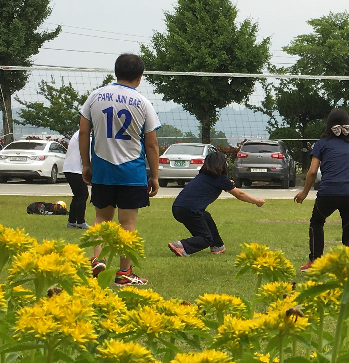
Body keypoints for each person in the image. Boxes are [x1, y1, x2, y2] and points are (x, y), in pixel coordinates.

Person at [79, 53, 161, 287]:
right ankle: (124, 273)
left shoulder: (95, 96)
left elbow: (84, 132)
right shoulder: (143, 103)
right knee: (127, 224)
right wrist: (154, 176)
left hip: (103, 168)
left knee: (102, 218)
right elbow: (152, 143)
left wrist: (86, 163)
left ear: (116, 72)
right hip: (131, 171)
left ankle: (97, 257)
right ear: (140, 76)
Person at [294, 109, 349, 271]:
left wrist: (304, 192)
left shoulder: (321, 144)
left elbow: (312, 172)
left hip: (328, 192)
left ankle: (315, 261)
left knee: (316, 222)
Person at [168, 152, 265, 257]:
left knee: (206, 216)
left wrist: (226, 184)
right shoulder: (220, 179)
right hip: (190, 210)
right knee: (206, 238)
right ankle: (182, 245)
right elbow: (240, 194)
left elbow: (212, 187)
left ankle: (217, 245)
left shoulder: (203, 176)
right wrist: (257, 201)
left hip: (177, 208)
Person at [63, 129, 89, 229]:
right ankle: (80, 222)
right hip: (74, 169)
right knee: (83, 194)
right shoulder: (85, 134)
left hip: (70, 168)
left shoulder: (80, 133)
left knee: (78, 195)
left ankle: (72, 221)